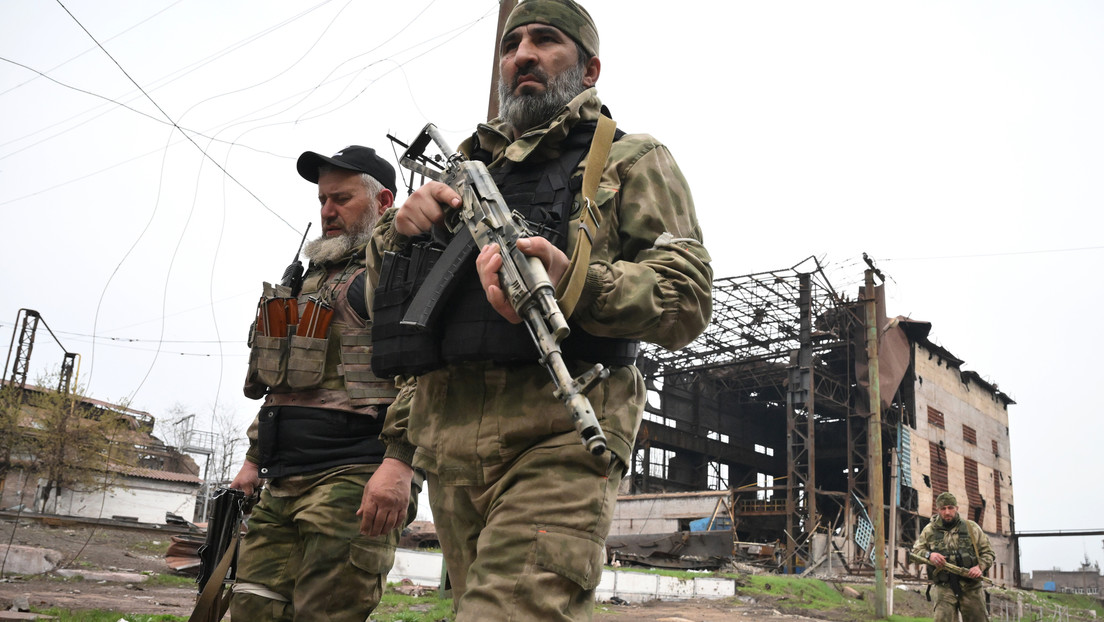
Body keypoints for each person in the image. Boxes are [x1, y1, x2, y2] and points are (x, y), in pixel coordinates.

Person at [365, 1, 712, 619]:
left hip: (562, 433)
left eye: (545, 41)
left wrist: (573, 279)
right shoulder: (460, 171)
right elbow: (389, 317)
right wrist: (398, 237)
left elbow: (686, 300)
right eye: (510, 44)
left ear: (589, 68)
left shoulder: (629, 159)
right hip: (449, 444)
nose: (521, 54)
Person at [228, 145, 420, 622]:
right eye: (322, 200)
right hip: (282, 479)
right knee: (252, 607)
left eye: (341, 199)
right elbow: (284, 384)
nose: (327, 212)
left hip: (352, 480)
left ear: (383, 202)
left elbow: (426, 377)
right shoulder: (310, 278)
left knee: (325, 614)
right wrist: (253, 461)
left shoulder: (395, 271)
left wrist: (400, 465)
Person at [912, 491, 996, 622]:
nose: (947, 512)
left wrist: (980, 567)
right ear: (938, 510)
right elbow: (916, 551)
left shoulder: (972, 528)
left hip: (971, 586)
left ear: (956, 508)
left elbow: (988, 552)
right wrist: (930, 555)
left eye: (950, 508)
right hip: (945, 587)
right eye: (943, 508)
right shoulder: (929, 530)